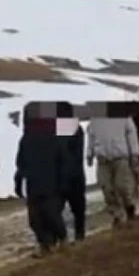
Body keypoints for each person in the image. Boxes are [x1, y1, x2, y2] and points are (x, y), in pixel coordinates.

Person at [14, 107, 68, 256]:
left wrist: (64, 182)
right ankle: (45, 244)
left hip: (52, 183)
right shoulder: (26, 139)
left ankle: (62, 239)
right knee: (35, 219)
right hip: (33, 184)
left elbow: (63, 160)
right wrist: (18, 181)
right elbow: (21, 163)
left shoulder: (54, 137)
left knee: (52, 214)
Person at [86, 104, 139, 227]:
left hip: (120, 157)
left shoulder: (122, 116)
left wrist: (134, 153)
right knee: (106, 188)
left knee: (122, 186)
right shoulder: (95, 120)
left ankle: (129, 207)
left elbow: (132, 134)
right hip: (103, 160)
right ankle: (117, 215)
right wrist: (89, 155)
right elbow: (91, 138)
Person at [58, 102, 87, 240]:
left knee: (58, 209)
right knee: (78, 209)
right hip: (76, 175)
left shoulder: (64, 128)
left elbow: (61, 152)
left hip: (64, 176)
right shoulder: (77, 128)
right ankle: (79, 235)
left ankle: (61, 238)